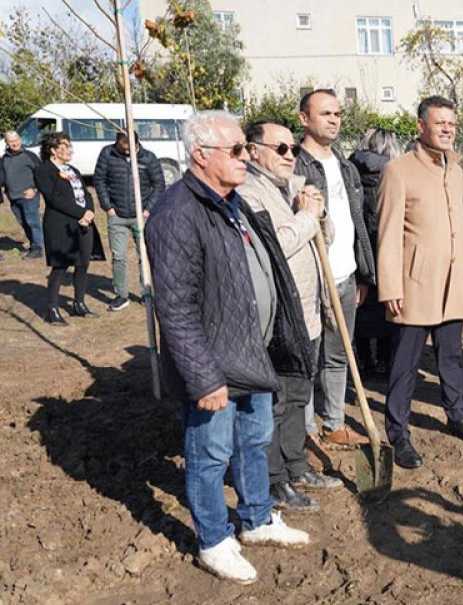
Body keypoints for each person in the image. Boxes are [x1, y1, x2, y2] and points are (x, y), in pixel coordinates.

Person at [145, 111, 311, 584]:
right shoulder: (177, 214)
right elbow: (175, 308)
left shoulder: (232, 202)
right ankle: (214, 540)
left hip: (250, 353)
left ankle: (256, 518)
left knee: (254, 441)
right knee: (209, 453)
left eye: (244, 148)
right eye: (236, 150)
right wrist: (203, 377)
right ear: (201, 156)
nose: (246, 158)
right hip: (214, 365)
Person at [378, 96, 463, 469]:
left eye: (452, 124)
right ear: (421, 126)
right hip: (415, 284)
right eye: (439, 123)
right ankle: (398, 432)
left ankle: (457, 416)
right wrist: (391, 285)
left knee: (451, 357)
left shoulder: (456, 170)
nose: (447, 129)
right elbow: (388, 233)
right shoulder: (399, 171)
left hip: (453, 282)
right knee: (405, 364)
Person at [239, 121, 344, 512]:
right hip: (280, 317)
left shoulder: (295, 186)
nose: (289, 155)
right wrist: (304, 217)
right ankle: (274, 480)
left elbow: (325, 235)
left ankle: (297, 466)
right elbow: (273, 246)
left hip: (309, 311)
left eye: (292, 149)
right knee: (278, 401)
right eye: (280, 148)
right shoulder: (249, 192)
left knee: (301, 394)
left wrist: (318, 212)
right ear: (253, 151)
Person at [294, 89, 376, 448]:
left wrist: (362, 273)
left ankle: (334, 419)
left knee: (338, 351)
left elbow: (356, 221)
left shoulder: (345, 166)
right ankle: (306, 428)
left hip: (345, 274)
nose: (334, 120)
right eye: (325, 113)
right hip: (312, 279)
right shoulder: (295, 166)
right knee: (308, 356)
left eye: (337, 114)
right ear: (304, 119)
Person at [34, 132, 106, 324]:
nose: (70, 151)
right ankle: (52, 309)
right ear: (53, 151)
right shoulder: (44, 170)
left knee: (83, 263)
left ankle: (78, 303)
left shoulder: (72, 169)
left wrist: (89, 212)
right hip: (60, 225)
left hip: (83, 223)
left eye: (70, 146)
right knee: (61, 266)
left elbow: (86, 193)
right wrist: (60, 179)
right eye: (65, 147)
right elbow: (54, 199)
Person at [93, 131, 166, 311]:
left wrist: (148, 209)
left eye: (129, 148)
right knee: (119, 256)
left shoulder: (148, 158)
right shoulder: (107, 154)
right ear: (117, 143)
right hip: (117, 216)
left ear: (136, 143)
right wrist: (108, 207)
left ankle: (147, 293)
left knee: (145, 256)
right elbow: (99, 180)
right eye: (122, 147)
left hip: (142, 217)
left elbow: (159, 185)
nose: (126, 151)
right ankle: (121, 295)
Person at [349, 128, 401, 378]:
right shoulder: (394, 173)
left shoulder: (349, 170)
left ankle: (365, 361)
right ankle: (385, 360)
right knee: (388, 305)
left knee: (360, 306)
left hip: (358, 249)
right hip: (386, 247)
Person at [1, 131, 44, 258]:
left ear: (20, 139)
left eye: (16, 140)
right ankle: (33, 245)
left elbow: (42, 175)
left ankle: (38, 248)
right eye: (11, 141)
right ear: (7, 143)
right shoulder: (5, 158)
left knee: (32, 222)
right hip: (13, 198)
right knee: (24, 223)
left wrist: (35, 189)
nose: (14, 143)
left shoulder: (30, 156)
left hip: (29, 197)